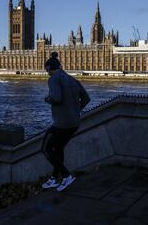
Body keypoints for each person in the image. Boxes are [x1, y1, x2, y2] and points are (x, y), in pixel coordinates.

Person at [41, 52, 90, 192]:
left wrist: (48, 99)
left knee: (45, 148)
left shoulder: (53, 79)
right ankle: (54, 178)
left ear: (49, 68)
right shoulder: (72, 79)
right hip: (74, 123)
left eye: (46, 70)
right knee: (59, 148)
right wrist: (75, 110)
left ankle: (67, 175)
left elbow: (56, 98)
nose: (47, 73)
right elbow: (86, 99)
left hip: (61, 123)